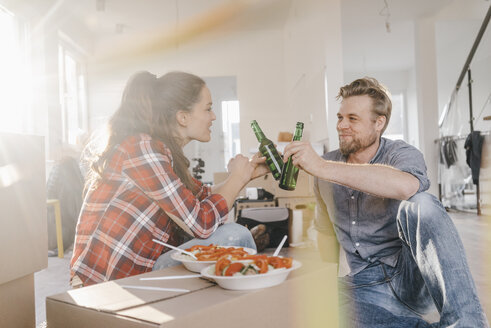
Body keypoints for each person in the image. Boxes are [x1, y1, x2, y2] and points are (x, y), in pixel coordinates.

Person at [282, 77, 488, 327]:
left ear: (379, 123)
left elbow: (406, 186)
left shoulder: (400, 153)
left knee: (422, 204)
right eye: (340, 117)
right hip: (364, 284)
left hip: (412, 279)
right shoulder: (326, 169)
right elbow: (327, 234)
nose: (341, 125)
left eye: (352, 119)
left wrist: (322, 167)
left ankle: (467, 323)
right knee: (309, 304)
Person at [70, 71, 267, 286]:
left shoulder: (162, 152)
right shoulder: (143, 149)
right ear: (182, 117)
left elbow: (202, 197)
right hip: (115, 282)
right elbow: (201, 224)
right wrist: (235, 179)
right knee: (234, 237)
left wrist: (244, 176)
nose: (214, 117)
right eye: (208, 109)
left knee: (224, 243)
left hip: (138, 269)